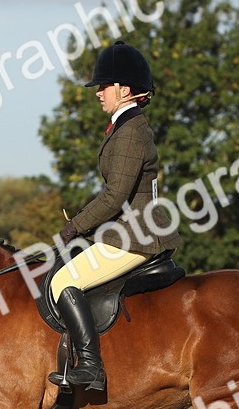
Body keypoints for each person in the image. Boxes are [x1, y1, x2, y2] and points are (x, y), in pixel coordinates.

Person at [48, 40, 182, 391]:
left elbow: (115, 195)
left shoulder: (131, 133)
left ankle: (91, 367)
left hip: (137, 236)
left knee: (63, 282)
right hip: (133, 229)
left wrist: (75, 226)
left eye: (104, 86)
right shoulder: (127, 128)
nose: (99, 93)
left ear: (123, 90)